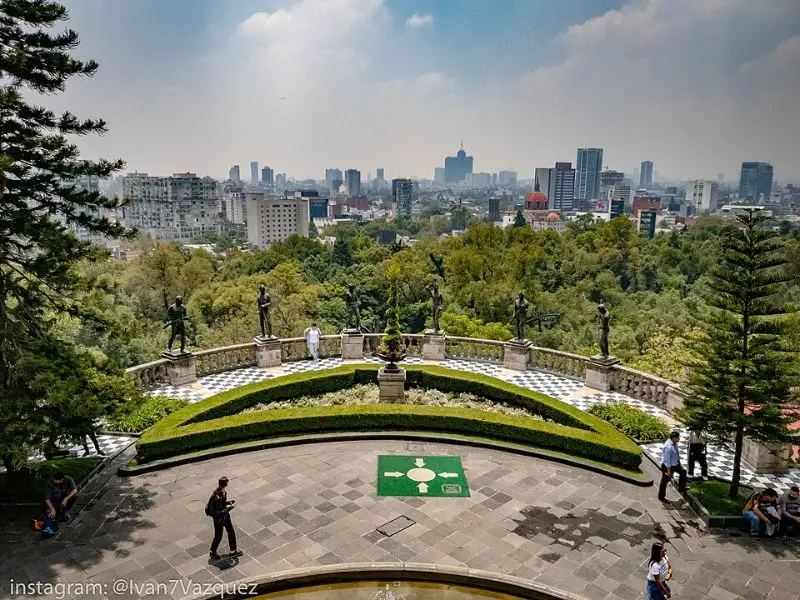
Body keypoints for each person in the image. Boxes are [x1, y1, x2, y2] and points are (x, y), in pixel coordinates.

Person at [206, 476, 242, 560]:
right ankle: (213, 552)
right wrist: (230, 507)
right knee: (218, 535)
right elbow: (218, 512)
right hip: (219, 519)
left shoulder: (222, 492)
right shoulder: (217, 496)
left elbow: (221, 504)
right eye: (227, 483)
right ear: (225, 484)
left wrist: (228, 502)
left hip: (225, 516)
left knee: (231, 532)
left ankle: (233, 551)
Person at [658, 430, 687, 501]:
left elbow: (676, 454)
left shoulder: (674, 443)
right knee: (665, 481)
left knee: (683, 472)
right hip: (668, 466)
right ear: (673, 438)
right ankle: (661, 497)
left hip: (675, 464)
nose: (679, 439)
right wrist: (668, 471)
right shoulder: (668, 447)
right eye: (677, 438)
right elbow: (667, 460)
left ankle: (681, 488)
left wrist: (679, 463)